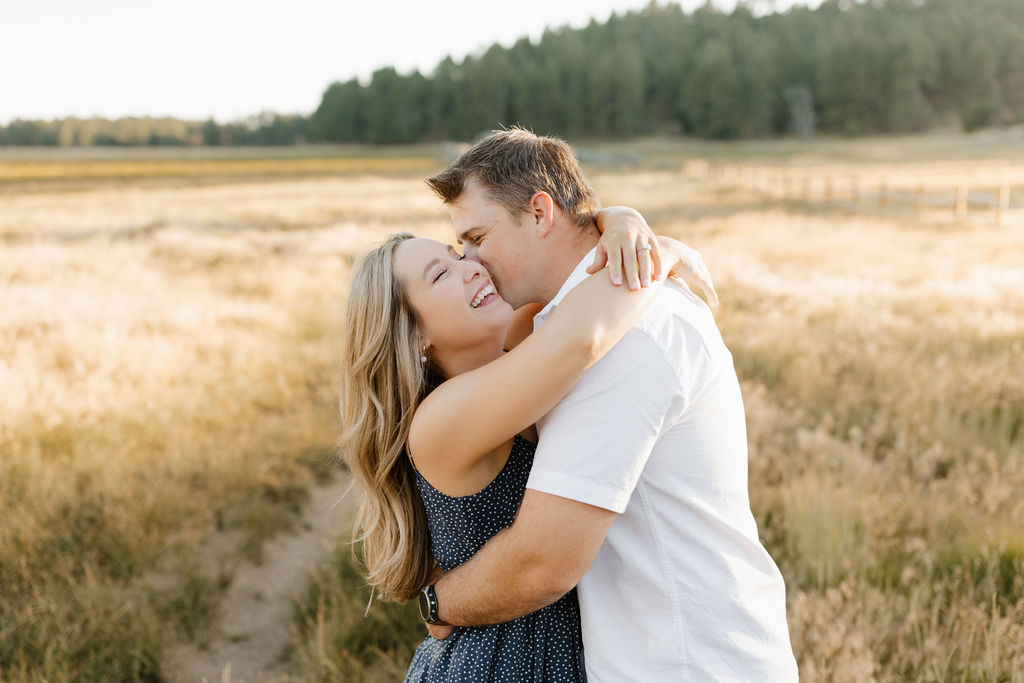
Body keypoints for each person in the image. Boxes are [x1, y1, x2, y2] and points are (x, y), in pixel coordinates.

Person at [420, 128, 799, 682]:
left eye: (477, 238)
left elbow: (545, 564)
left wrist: (437, 604)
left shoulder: (628, 336)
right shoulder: (558, 328)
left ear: (540, 213)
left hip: (690, 662)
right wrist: (624, 223)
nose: (472, 262)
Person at [339, 210, 714, 679]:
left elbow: (571, 268)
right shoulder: (439, 421)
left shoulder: (512, 350)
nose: (470, 267)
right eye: (441, 275)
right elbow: (584, 334)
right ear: (415, 335)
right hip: (496, 665)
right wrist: (661, 250)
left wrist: (621, 220)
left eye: (458, 255)